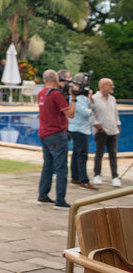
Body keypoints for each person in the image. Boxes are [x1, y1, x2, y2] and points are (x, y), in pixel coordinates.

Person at [37, 69, 76, 209]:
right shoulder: (56, 95)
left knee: (48, 165)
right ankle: (60, 200)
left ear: (44, 80)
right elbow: (70, 114)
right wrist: (74, 98)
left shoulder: (41, 94)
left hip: (44, 133)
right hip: (56, 135)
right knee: (61, 168)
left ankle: (42, 195)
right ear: (56, 80)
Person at [67, 73, 96, 190]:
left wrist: (90, 100)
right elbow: (86, 113)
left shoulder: (83, 96)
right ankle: (84, 180)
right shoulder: (76, 97)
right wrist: (91, 108)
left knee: (76, 153)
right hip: (79, 129)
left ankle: (75, 177)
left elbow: (94, 106)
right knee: (82, 155)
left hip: (82, 128)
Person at [92, 77, 122, 187]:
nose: (112, 87)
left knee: (113, 154)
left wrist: (118, 125)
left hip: (113, 130)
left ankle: (115, 176)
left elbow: (115, 113)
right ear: (103, 86)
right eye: (111, 85)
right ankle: (97, 175)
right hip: (101, 131)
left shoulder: (112, 99)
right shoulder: (94, 98)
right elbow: (91, 115)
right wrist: (98, 126)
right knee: (99, 153)